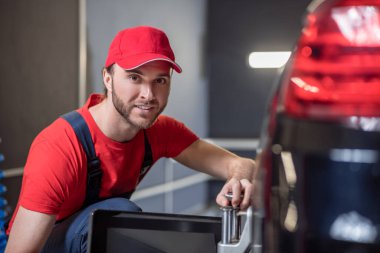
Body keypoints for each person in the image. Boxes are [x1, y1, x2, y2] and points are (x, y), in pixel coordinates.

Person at [5, 26, 256, 253]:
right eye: (134, 78)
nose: (148, 95)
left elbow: (241, 164)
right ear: (108, 78)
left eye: (160, 80)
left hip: (93, 238)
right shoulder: (60, 146)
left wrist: (238, 180)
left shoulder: (160, 131)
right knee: (120, 218)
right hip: (48, 245)